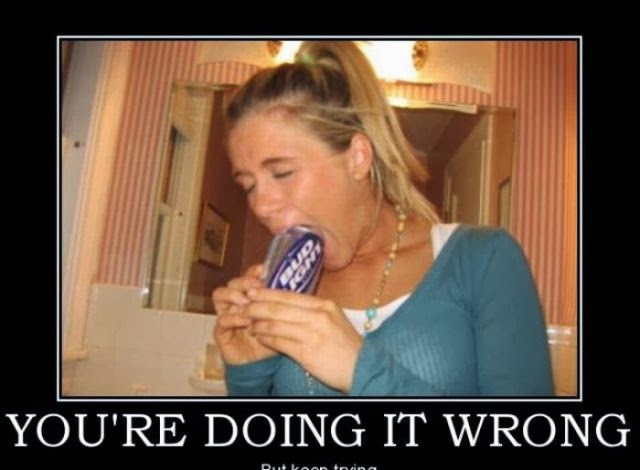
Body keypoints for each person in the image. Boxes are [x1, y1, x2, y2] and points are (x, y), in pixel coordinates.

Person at [212, 41, 554, 397]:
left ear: (357, 158)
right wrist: (248, 374)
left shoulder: (485, 259)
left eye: (282, 173)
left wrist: (361, 371)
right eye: (248, 185)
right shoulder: (286, 287)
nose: (261, 206)